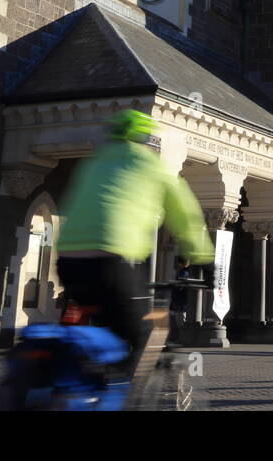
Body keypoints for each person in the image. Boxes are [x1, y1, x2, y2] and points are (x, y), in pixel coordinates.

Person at [56, 109, 214, 374]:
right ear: (145, 137)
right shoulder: (151, 165)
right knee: (144, 337)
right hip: (110, 262)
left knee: (104, 328)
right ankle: (125, 394)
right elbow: (185, 216)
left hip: (67, 262)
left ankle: (88, 379)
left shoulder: (92, 163)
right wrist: (204, 259)